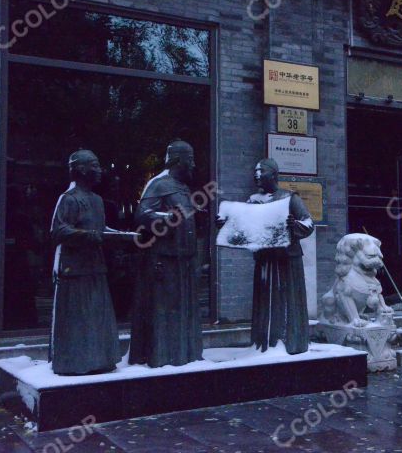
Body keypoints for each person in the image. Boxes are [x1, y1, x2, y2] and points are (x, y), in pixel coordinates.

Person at [216, 158, 314, 354]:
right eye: (256, 172)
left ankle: (290, 343)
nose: (257, 175)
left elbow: (309, 223)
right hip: (265, 260)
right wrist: (226, 225)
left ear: (274, 175)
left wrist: (294, 225)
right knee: (265, 301)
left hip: (287, 261)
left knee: (286, 301)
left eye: (262, 171)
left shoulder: (289, 198)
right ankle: (265, 343)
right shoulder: (253, 201)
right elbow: (243, 227)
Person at [130, 140, 203, 367]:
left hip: (184, 261)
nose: (193, 164)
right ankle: (163, 357)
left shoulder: (184, 187)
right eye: (190, 159)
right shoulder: (159, 184)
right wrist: (165, 219)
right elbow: (142, 215)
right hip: (165, 260)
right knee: (165, 311)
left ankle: (184, 355)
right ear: (178, 160)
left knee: (183, 311)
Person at [50, 150, 121, 375]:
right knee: (77, 320)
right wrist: (88, 236)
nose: (100, 171)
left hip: (95, 266)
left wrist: (121, 236)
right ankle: (75, 363)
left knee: (97, 317)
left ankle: (100, 360)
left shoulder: (97, 200)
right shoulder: (69, 198)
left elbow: (100, 230)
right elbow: (58, 230)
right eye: (95, 165)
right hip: (74, 269)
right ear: (80, 169)